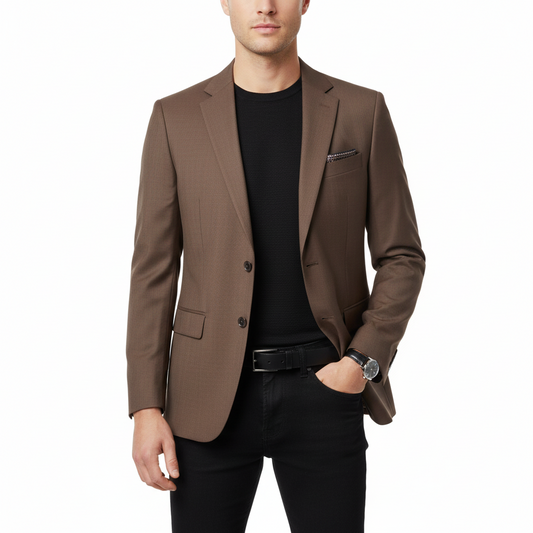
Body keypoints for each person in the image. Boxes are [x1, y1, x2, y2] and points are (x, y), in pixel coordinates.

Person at [126, 1, 425, 531]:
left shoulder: (361, 111)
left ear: (306, 1)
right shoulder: (175, 118)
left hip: (325, 386)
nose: (265, 5)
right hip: (206, 396)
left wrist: (361, 361)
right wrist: (145, 406)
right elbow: (154, 271)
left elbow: (402, 255)